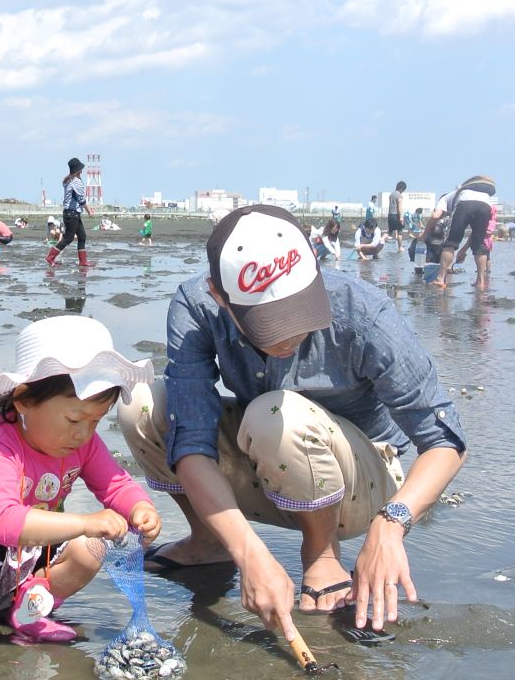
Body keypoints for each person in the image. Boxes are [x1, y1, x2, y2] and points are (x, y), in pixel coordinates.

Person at [117, 204, 466, 636]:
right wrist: (249, 554)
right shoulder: (196, 306)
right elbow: (192, 439)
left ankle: (321, 555)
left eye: (300, 313)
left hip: (363, 480)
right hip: (270, 456)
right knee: (144, 404)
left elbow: (445, 440)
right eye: (267, 324)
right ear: (219, 296)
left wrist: (391, 523)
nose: (288, 336)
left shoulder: (361, 311)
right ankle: (210, 541)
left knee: (275, 413)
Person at [0, 316, 161, 657]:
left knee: (92, 546)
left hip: (25, 556)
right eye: (74, 420)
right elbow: (3, 522)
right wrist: (86, 521)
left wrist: (140, 509)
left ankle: (29, 608)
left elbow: (115, 484)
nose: (83, 434)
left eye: (95, 421)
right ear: (23, 400)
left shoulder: (82, 445)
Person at [421, 175, 495, 289]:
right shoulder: (470, 193)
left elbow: (435, 216)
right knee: (480, 245)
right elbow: (474, 235)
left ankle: (440, 279)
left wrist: (424, 234)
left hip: (464, 203)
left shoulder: (444, 199)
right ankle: (480, 282)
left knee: (450, 243)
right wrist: (463, 250)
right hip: (486, 204)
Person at [47, 155, 91, 268]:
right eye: (81, 168)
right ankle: (50, 257)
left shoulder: (68, 180)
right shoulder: (76, 181)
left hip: (71, 213)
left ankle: (83, 261)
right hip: (72, 214)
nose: (82, 170)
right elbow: (81, 200)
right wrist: (89, 211)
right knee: (68, 238)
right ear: (78, 170)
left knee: (82, 236)